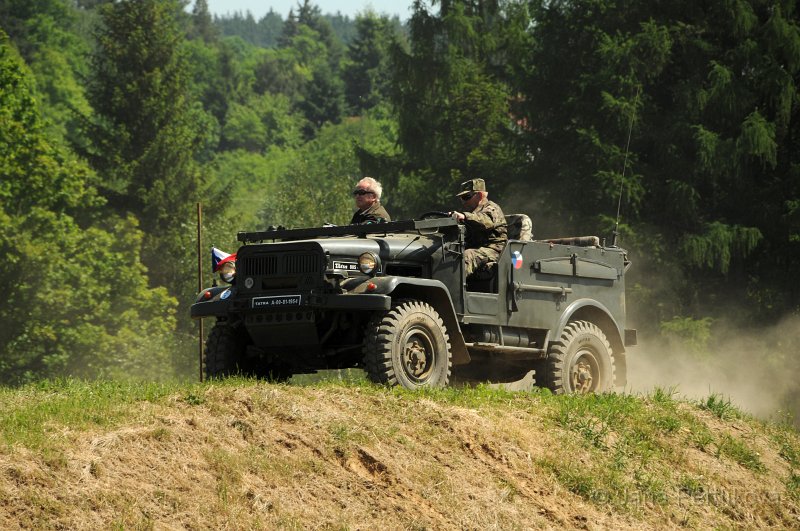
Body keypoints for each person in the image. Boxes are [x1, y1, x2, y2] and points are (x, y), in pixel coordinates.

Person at [449, 178, 508, 277]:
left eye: (466, 197)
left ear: (480, 195)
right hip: (479, 248)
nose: (463, 201)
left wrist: (464, 216)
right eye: (461, 198)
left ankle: (452, 287)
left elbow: (485, 221)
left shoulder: (492, 208)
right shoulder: (472, 213)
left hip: (495, 250)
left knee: (468, 255)